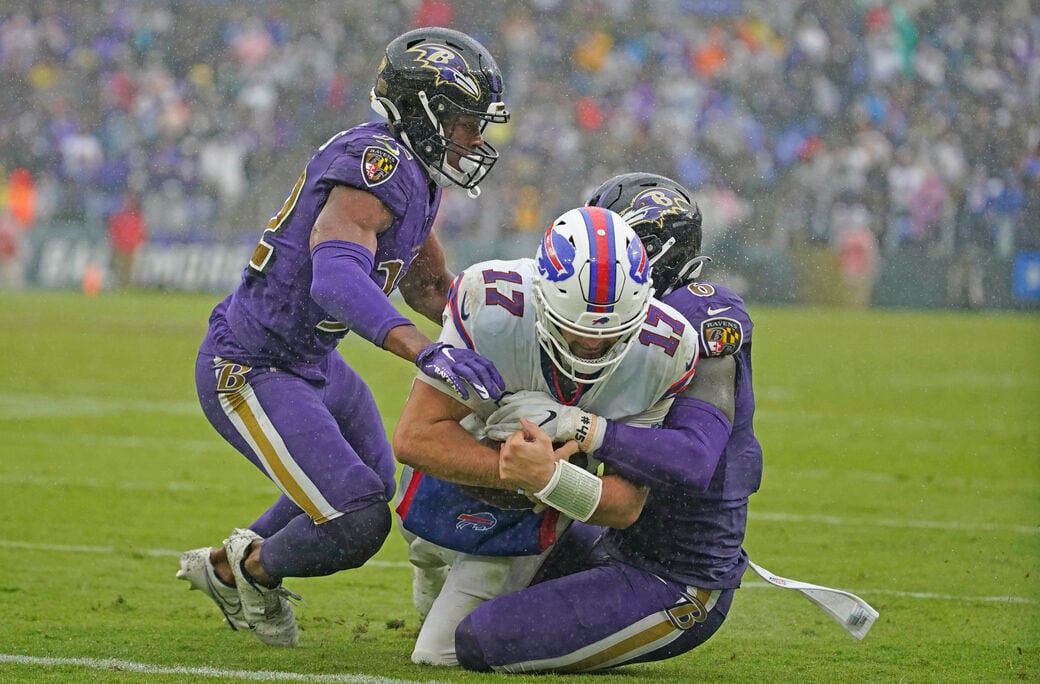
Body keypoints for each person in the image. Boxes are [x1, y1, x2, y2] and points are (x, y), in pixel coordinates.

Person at [175, 26, 511, 648]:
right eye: (465, 120)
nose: (475, 136)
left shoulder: (417, 173)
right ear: (423, 111)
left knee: (371, 485)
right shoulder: (377, 164)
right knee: (356, 518)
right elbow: (333, 277)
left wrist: (514, 335)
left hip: (311, 361)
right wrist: (422, 348)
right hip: (253, 364)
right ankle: (252, 575)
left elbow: (433, 288)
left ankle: (225, 567)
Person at [449, 172, 763, 672]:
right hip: (612, 540)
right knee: (477, 536)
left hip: (676, 575)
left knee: (479, 641)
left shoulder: (696, 319)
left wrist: (582, 427)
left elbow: (695, 459)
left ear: (655, 254)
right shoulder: (608, 325)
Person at [392, 204, 701, 665]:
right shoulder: (491, 304)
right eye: (574, 330)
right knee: (423, 541)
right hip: (469, 460)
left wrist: (548, 480)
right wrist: (509, 468)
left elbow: (626, 504)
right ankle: (436, 563)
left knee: (438, 653)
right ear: (542, 297)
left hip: (545, 507)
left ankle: (553, 556)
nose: (592, 345)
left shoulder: (664, 351)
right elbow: (414, 438)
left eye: (613, 334)